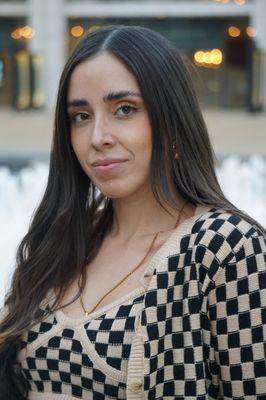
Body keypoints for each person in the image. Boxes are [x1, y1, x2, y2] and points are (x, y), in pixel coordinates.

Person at [0, 24, 265, 400]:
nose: (98, 137)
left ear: (171, 119)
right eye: (81, 116)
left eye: (125, 109)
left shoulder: (225, 248)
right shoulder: (59, 240)